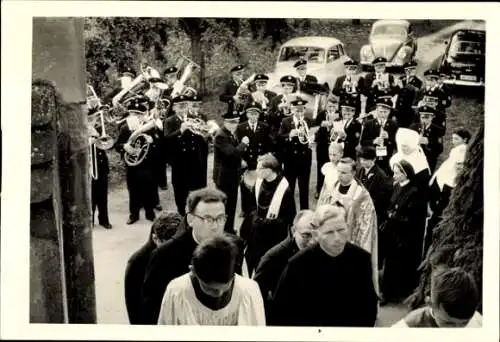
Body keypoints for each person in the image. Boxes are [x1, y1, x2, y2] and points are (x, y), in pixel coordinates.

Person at [141, 187, 245, 324]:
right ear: (190, 219)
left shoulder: (234, 246)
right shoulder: (164, 255)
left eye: (220, 218)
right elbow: (153, 309)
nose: (215, 227)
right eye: (208, 219)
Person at [270, 204, 378, 327]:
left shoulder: (361, 259)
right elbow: (280, 313)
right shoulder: (297, 265)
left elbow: (369, 306)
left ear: (348, 227)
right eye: (329, 232)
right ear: (316, 235)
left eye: (341, 230)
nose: (337, 238)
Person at [157, 234, 266, 326]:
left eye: (225, 287)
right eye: (210, 288)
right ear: (193, 272)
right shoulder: (176, 292)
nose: (219, 294)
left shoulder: (249, 292)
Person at [314, 157, 379, 295]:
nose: (339, 175)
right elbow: (320, 211)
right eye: (338, 171)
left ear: (353, 173)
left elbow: (366, 227)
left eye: (344, 172)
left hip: (350, 242)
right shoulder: (331, 189)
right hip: (329, 241)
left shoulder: (362, 196)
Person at [240, 153, 297, 277]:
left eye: (260, 168)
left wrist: (270, 222)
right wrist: (256, 218)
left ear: (270, 169)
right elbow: (251, 206)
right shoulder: (259, 183)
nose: (257, 171)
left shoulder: (284, 188)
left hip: (274, 234)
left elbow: (290, 216)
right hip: (258, 232)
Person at [380, 160, 428, 305]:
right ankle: (387, 292)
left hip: (404, 235)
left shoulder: (414, 191)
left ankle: (399, 293)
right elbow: (391, 205)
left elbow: (414, 216)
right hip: (393, 233)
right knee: (390, 264)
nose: (394, 175)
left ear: (405, 173)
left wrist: (395, 216)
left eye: (397, 172)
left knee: (401, 264)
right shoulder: (396, 186)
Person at [253, 209, 316, 318]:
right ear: (293, 231)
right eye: (306, 235)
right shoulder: (273, 257)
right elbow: (256, 296)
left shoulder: (319, 249)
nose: (312, 241)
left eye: (315, 234)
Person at [124, 211, 182, 325]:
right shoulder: (136, 265)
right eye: (167, 246)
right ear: (155, 239)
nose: (173, 251)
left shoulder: (182, 248)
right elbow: (136, 314)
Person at [115, 96, 158, 224]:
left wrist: (153, 141)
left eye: (139, 114)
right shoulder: (125, 128)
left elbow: (159, 145)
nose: (137, 116)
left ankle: (150, 213)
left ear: (143, 115)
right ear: (130, 114)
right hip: (132, 166)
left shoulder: (149, 127)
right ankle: (133, 215)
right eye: (134, 113)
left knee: (149, 189)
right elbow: (117, 145)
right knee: (133, 190)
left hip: (147, 164)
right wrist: (125, 147)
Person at [392, 267, 482, 327]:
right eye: (448, 323)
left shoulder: (478, 321)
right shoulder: (407, 329)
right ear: (430, 303)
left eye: (464, 323)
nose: (456, 331)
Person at [164, 95, 207, 216]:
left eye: (185, 105)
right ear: (174, 108)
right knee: (180, 189)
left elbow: (202, 136)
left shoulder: (194, 118)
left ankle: (196, 211)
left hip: (194, 159)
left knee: (196, 187)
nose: (183, 109)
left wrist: (205, 132)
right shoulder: (170, 121)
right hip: (179, 161)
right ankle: (181, 212)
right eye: (180, 106)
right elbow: (166, 140)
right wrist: (180, 130)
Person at [424, 144, 467, 258]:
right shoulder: (443, 175)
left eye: (463, 164)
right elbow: (432, 194)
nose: (460, 167)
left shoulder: (467, 180)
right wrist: (433, 209)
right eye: (458, 164)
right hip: (438, 217)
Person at [356, 146, 393, 269]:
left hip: (374, 214)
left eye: (366, 159)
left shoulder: (380, 176)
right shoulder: (361, 171)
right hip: (362, 212)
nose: (362, 162)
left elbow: (382, 198)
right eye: (361, 159)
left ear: (373, 159)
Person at [235, 103, 274, 217]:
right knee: (245, 186)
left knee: (260, 184)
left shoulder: (264, 127)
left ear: (259, 115)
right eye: (251, 114)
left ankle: (258, 207)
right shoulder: (241, 127)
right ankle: (245, 209)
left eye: (255, 114)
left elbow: (268, 144)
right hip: (246, 161)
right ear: (247, 114)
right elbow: (237, 144)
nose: (253, 116)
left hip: (259, 160)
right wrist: (241, 160)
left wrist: (266, 157)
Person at [213, 116, 248, 234]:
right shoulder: (221, 135)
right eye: (231, 123)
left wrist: (240, 162)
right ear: (225, 122)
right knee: (224, 206)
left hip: (231, 175)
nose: (234, 125)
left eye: (236, 123)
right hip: (223, 177)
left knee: (232, 205)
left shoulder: (230, 133)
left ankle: (229, 230)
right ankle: (221, 231)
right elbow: (231, 154)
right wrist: (243, 144)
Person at [278, 97, 314, 209]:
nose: (299, 113)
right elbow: (279, 138)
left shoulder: (309, 121)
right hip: (290, 160)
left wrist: (313, 137)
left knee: (304, 188)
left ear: (304, 110)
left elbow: (315, 134)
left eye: (302, 110)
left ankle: (305, 213)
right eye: (297, 110)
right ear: (292, 110)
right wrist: (289, 135)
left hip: (305, 159)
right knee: (290, 188)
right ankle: (289, 214)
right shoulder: (286, 121)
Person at [359, 97, 399, 174]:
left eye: (385, 112)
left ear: (389, 111)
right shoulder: (369, 124)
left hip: (387, 159)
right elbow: (362, 142)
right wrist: (373, 141)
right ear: (376, 110)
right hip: (372, 159)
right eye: (381, 111)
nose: (383, 114)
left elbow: (397, 145)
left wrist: (389, 138)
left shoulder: (394, 125)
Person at [314, 96, 343, 198]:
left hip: (335, 146)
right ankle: (319, 189)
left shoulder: (340, 115)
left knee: (335, 166)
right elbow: (314, 133)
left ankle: (336, 189)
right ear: (326, 105)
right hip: (322, 146)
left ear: (337, 106)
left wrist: (334, 127)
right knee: (321, 167)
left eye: (334, 106)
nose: (331, 109)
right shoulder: (320, 115)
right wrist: (322, 127)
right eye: (329, 106)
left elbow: (342, 133)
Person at [88, 106, 112, 229]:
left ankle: (104, 219)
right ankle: (90, 220)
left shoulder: (98, 129)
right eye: (90, 119)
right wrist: (88, 142)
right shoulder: (80, 131)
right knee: (90, 195)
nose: (93, 121)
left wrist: (100, 140)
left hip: (101, 166)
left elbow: (105, 144)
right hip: (89, 167)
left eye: (93, 118)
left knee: (102, 195)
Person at [410, 106, 445, 173]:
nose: (424, 120)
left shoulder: (437, 130)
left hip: (429, 159)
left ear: (432, 117)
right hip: (414, 156)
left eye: (427, 117)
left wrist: (429, 142)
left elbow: (440, 149)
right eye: (422, 117)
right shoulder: (413, 127)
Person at [267, 75, 297, 148]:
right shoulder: (275, 100)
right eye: (284, 86)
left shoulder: (297, 99)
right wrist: (279, 109)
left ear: (293, 88)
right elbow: (269, 119)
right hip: (279, 133)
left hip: (294, 132)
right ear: (282, 87)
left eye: (290, 86)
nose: (287, 88)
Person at [394, 60, 423, 128]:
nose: (414, 71)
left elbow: (414, 94)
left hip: (409, 110)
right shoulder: (401, 79)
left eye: (414, 69)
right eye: (411, 69)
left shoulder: (418, 82)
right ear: (406, 71)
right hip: (400, 109)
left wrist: (402, 88)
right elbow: (396, 92)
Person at [317, 142, 344, 206]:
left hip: (338, 200)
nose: (332, 157)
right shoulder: (327, 167)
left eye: (334, 155)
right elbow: (324, 186)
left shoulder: (343, 168)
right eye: (330, 154)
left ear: (341, 154)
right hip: (326, 199)